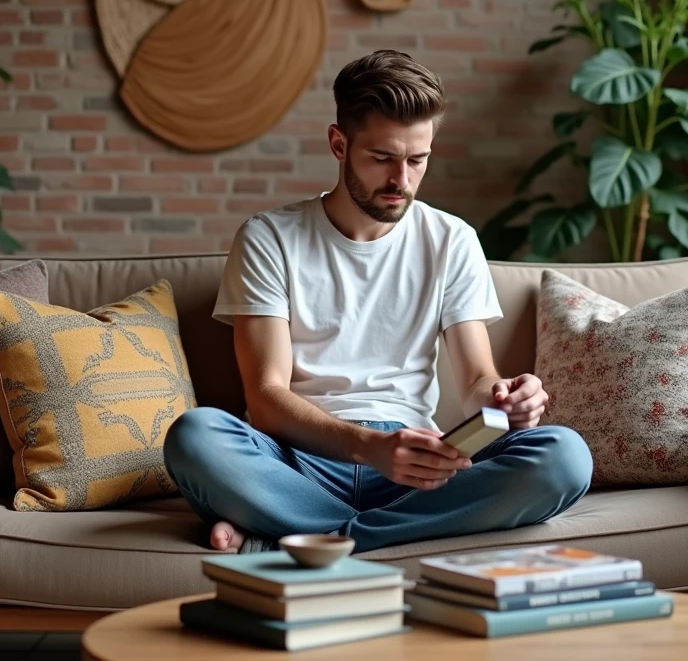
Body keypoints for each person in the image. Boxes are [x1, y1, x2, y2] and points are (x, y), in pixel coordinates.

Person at [163, 50, 593, 554]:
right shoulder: (269, 238)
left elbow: (478, 381)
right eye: (383, 158)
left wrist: (508, 399)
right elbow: (265, 398)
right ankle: (387, 529)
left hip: (415, 463)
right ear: (338, 144)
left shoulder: (452, 240)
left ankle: (306, 536)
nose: (401, 181)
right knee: (195, 435)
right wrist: (371, 448)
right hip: (297, 460)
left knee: (564, 455)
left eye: (418, 160)